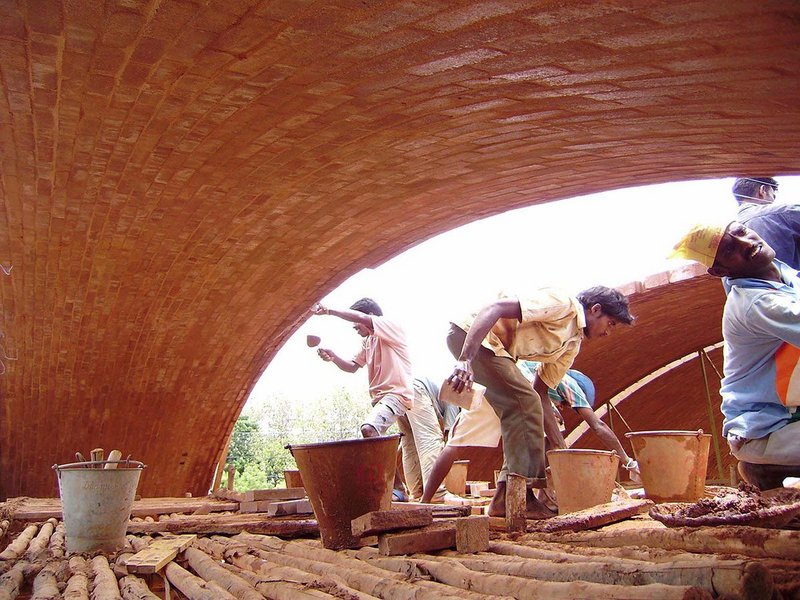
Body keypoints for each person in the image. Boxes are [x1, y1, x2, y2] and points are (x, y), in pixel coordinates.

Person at [445, 286, 635, 517]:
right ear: (595, 309)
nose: (608, 332)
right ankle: (520, 497)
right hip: (472, 337)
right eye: (611, 323)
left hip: (498, 353)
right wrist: (465, 359)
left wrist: (561, 449)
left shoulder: (571, 345)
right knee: (525, 403)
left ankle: (504, 499)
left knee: (525, 404)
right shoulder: (562, 305)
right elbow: (494, 308)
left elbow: (541, 393)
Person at [671, 221, 800, 489]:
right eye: (730, 248)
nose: (746, 243)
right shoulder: (755, 303)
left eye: (741, 231)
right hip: (768, 431)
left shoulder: (784, 277)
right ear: (720, 271)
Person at [420, 364, 639, 504]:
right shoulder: (571, 385)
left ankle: (425, 500)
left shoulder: (539, 367)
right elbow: (597, 425)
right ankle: (543, 496)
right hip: (515, 397)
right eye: (564, 405)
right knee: (551, 430)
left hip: (489, 390)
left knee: (455, 444)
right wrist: (628, 461)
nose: (562, 408)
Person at [310, 298, 444, 501]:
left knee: (370, 429)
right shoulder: (368, 341)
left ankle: (398, 489)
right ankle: (415, 493)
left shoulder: (389, 327)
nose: (354, 327)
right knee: (407, 443)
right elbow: (352, 366)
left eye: (356, 323)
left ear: (369, 317)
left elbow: (362, 318)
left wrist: (329, 311)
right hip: (383, 398)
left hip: (396, 393)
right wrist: (334, 357)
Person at [733, 177, 800, 269]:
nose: (773, 201)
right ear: (763, 190)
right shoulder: (785, 212)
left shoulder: (727, 232)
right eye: (773, 196)